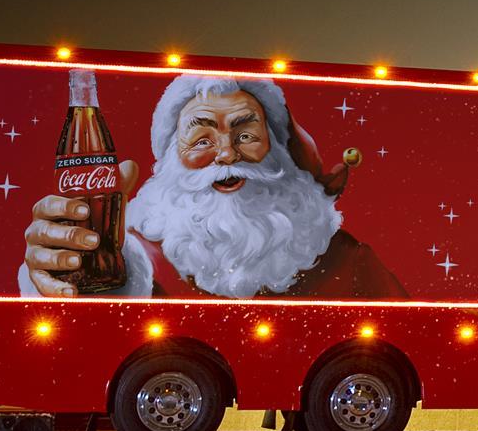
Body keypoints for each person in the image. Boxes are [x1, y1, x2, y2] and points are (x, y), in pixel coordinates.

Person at [20, 74, 404, 298]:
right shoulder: (135, 258)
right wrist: (59, 272)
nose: (225, 155)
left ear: (277, 150)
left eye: (246, 134)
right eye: (201, 139)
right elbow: (95, 319)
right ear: (172, 157)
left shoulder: (349, 261)